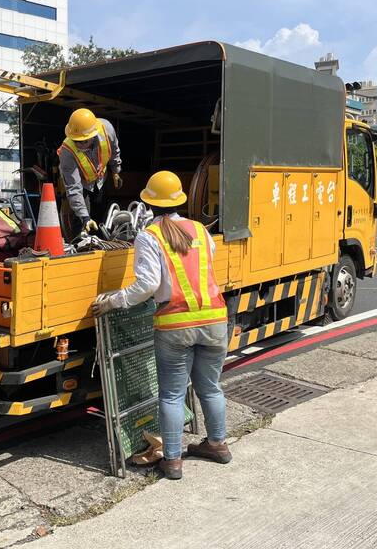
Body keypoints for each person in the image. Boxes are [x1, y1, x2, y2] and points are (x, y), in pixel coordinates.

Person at [91, 171, 230, 480]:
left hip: (175, 325)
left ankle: (172, 460)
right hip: (215, 320)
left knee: (170, 395)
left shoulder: (149, 236)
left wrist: (113, 300)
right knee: (210, 387)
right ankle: (218, 444)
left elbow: (147, 285)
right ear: (180, 198)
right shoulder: (201, 231)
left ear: (148, 201)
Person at [57, 108, 122, 236]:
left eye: (84, 141)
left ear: (93, 135)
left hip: (101, 180)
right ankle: (80, 246)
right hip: (82, 185)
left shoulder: (107, 130)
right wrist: (85, 217)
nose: (80, 145)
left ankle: (103, 245)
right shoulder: (67, 152)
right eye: (76, 141)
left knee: (102, 217)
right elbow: (74, 188)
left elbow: (114, 151)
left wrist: (116, 171)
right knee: (82, 222)